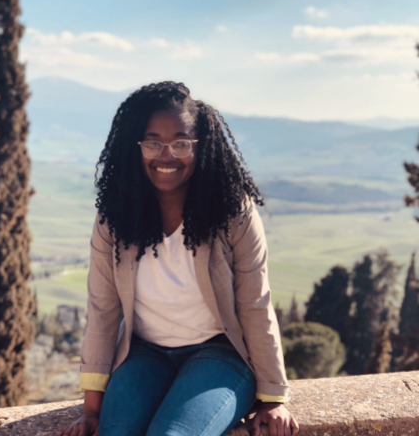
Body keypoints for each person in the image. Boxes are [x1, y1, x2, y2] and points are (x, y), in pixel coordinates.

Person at [55, 82, 299, 436]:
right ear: (134, 147)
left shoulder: (233, 213)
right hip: (144, 354)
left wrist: (274, 398)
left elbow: (255, 304)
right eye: (152, 142)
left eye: (181, 143)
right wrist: (91, 411)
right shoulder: (115, 217)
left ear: (202, 147)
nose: (165, 155)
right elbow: (103, 310)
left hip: (220, 356)